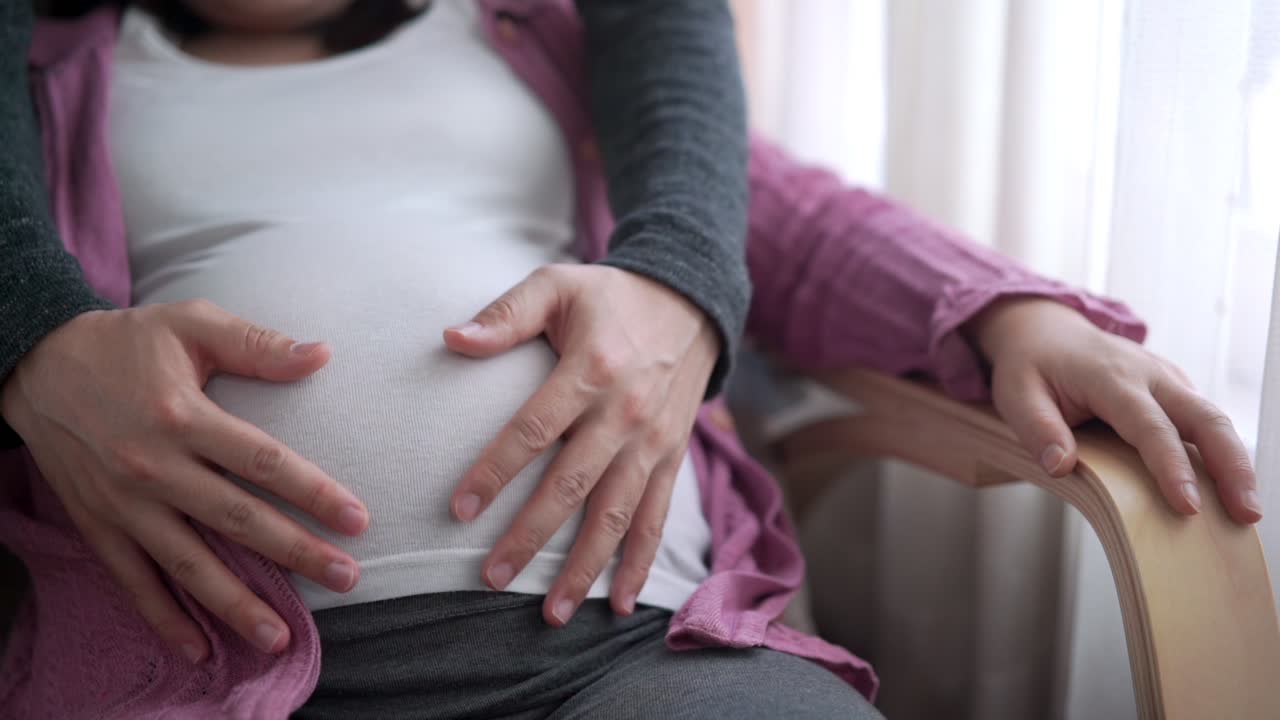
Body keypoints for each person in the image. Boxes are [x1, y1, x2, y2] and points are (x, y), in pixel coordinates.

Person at [0, 1, 1261, 718]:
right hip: (202, 679)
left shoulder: (534, 44)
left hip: (629, 653)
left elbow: (787, 220)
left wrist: (1010, 321)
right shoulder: (58, 81)